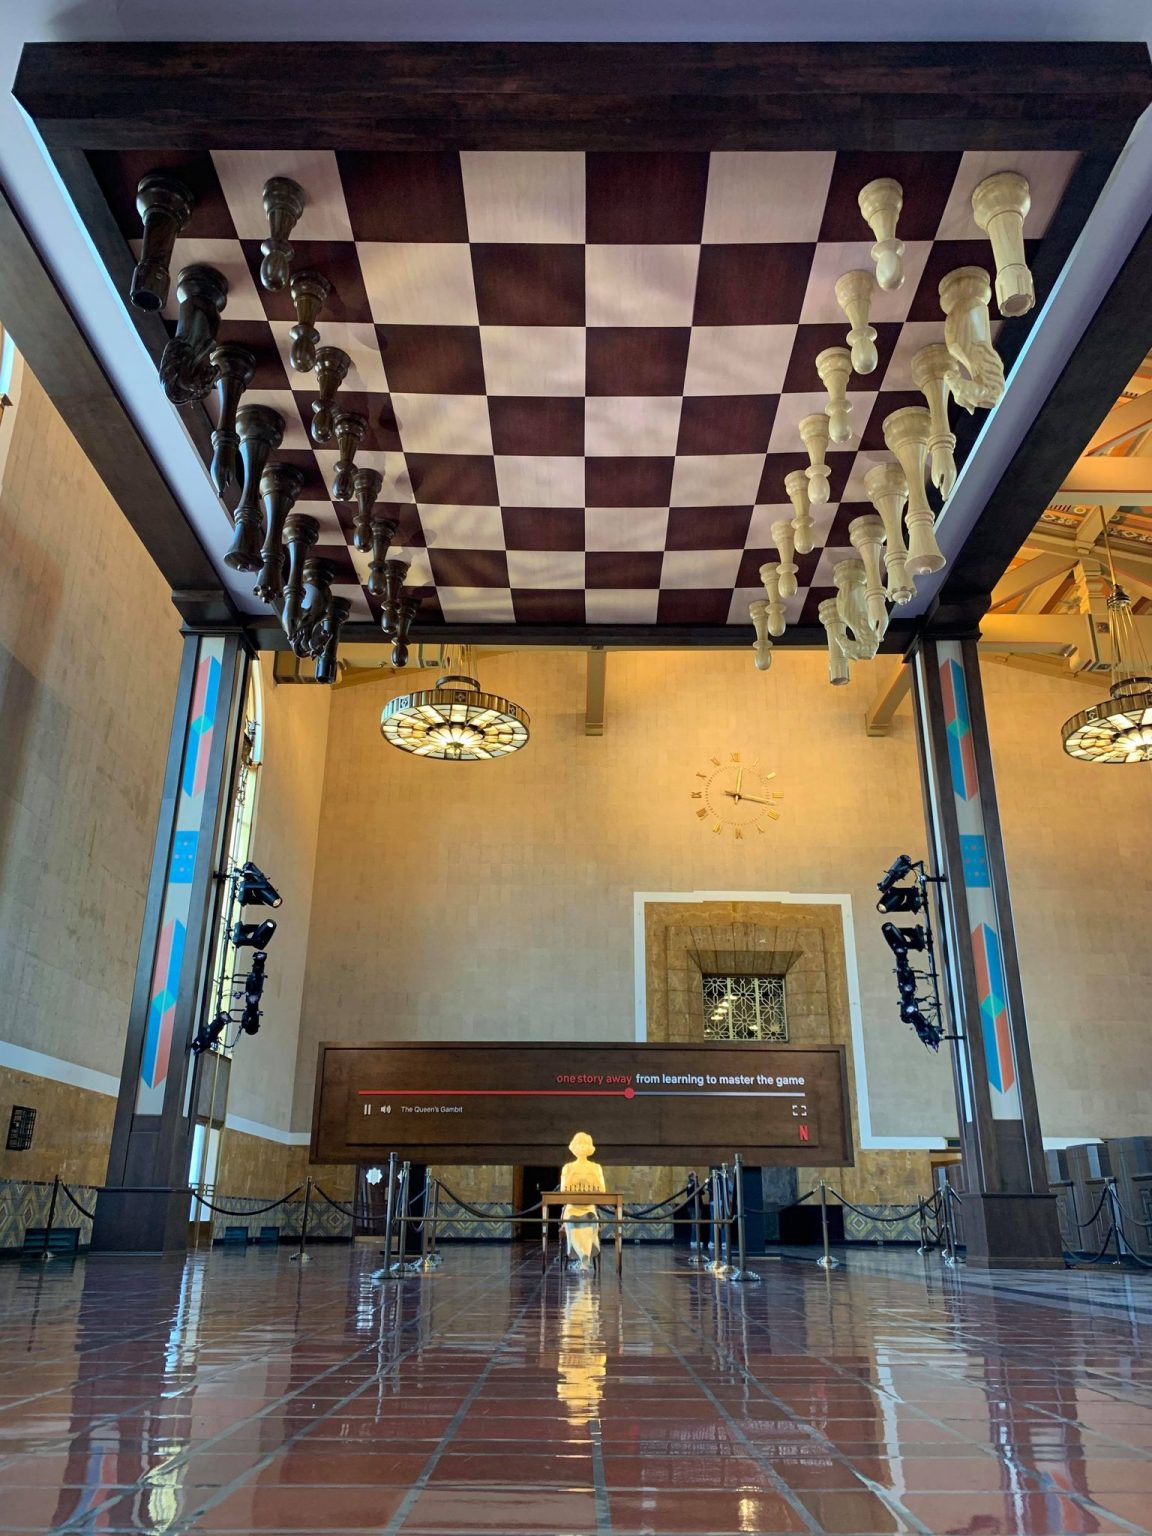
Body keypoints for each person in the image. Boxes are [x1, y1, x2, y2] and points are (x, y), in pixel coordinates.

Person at [560, 1131, 606, 1270]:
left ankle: (584, 1259)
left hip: (588, 1207)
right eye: (579, 1144)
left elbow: (602, 1190)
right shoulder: (568, 1167)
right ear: (574, 1146)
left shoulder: (595, 1167)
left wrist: (593, 1177)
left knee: (590, 1223)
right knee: (572, 1224)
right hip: (572, 1207)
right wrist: (572, 1174)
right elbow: (564, 1190)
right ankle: (583, 1257)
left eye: (585, 1144)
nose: (582, 1147)